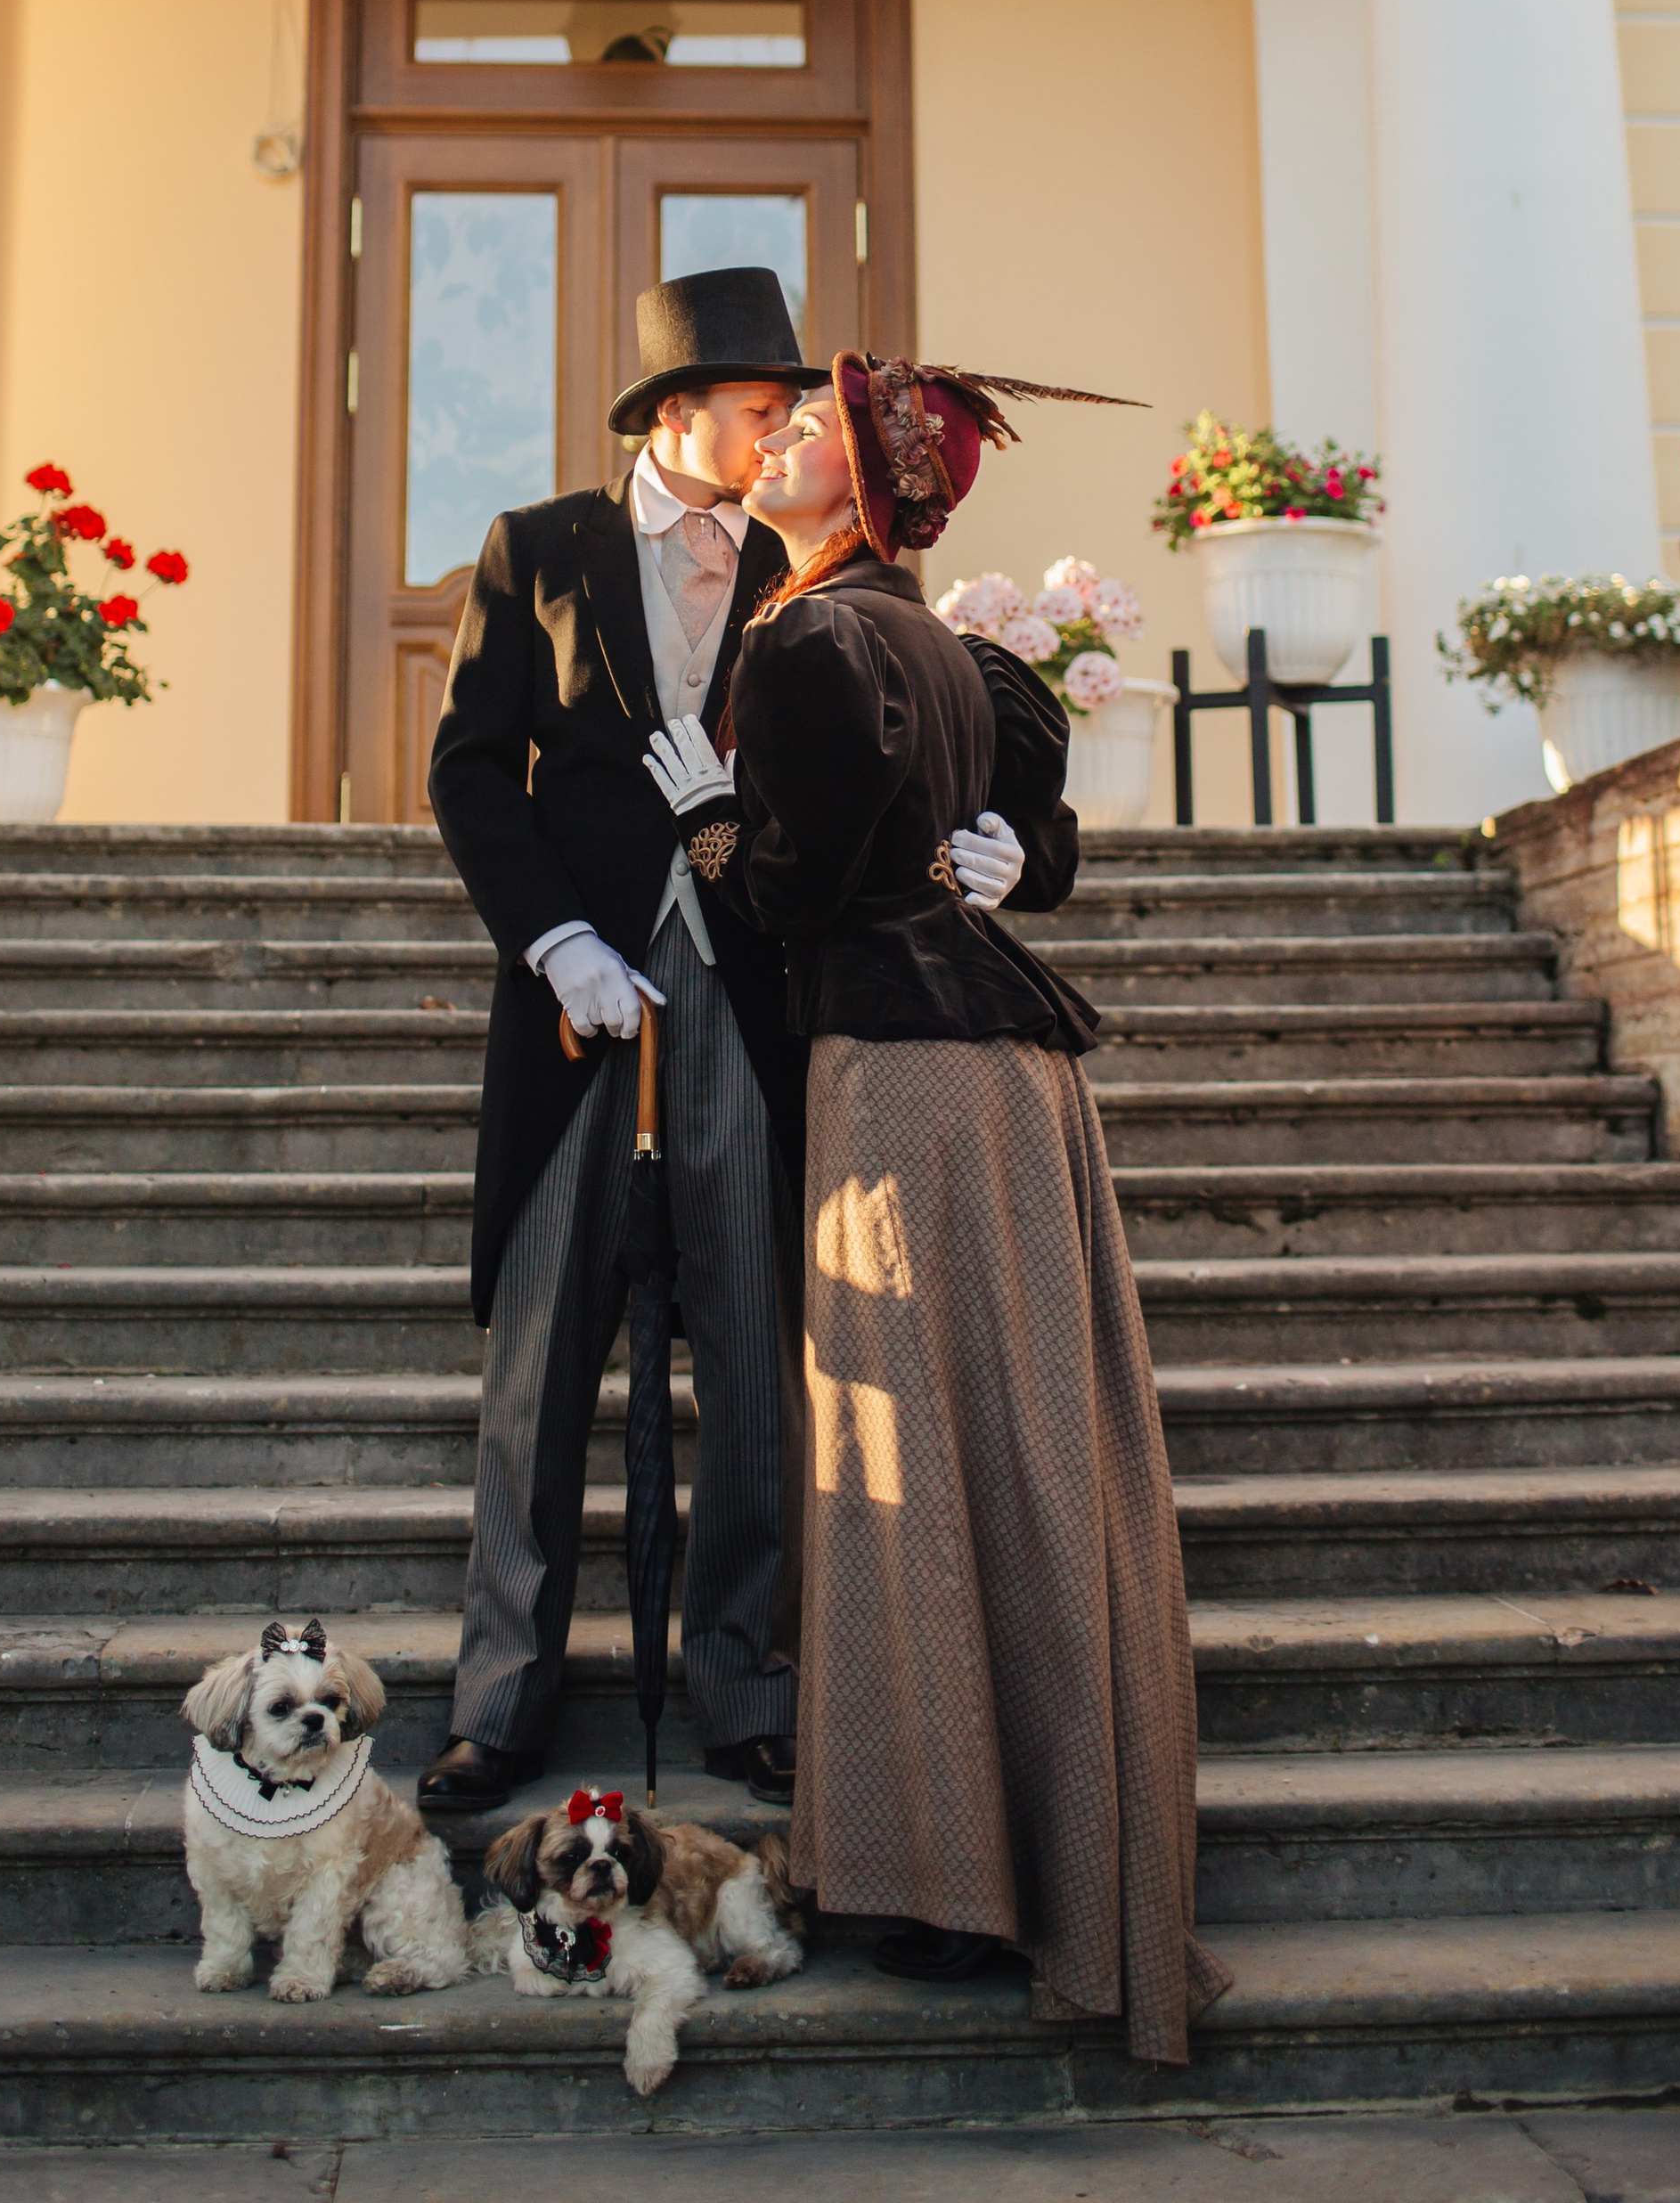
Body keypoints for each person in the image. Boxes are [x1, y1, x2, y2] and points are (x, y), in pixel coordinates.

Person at [643, 350, 1232, 2066]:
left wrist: (707, 826)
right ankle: (986, 1850)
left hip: (907, 1077)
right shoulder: (946, 644)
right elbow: (1004, 809)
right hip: (986, 1065)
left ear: (879, 488)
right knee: (1007, 1456)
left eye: (811, 426)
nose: (781, 438)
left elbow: (797, 890)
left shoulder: (820, 640)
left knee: (904, 1463)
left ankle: (943, 1881)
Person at [421, 270, 1031, 1813]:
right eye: (763, 409)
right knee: (543, 1355)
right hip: (580, 1012)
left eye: (792, 416)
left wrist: (1013, 832)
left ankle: (750, 1684)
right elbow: (476, 770)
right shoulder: (537, 548)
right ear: (678, 412)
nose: (781, 436)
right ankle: (501, 1697)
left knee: (762, 1364)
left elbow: (938, 734)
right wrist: (556, 941)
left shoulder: (811, 558)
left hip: (756, 1003)